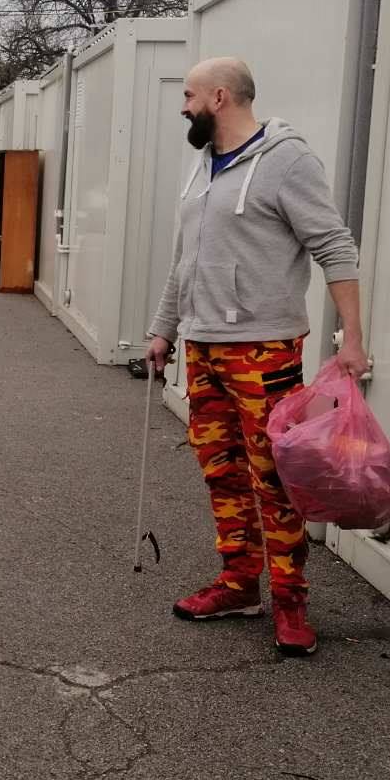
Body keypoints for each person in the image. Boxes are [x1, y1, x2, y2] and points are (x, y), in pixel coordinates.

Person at [146, 57, 369, 658]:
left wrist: (352, 338)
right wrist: (164, 330)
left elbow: (333, 244)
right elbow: (184, 260)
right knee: (221, 470)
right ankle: (240, 584)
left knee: (274, 477)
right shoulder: (201, 169)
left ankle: (291, 601)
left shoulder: (287, 161)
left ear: (220, 97)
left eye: (189, 96)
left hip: (264, 349)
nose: (184, 107)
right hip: (203, 349)